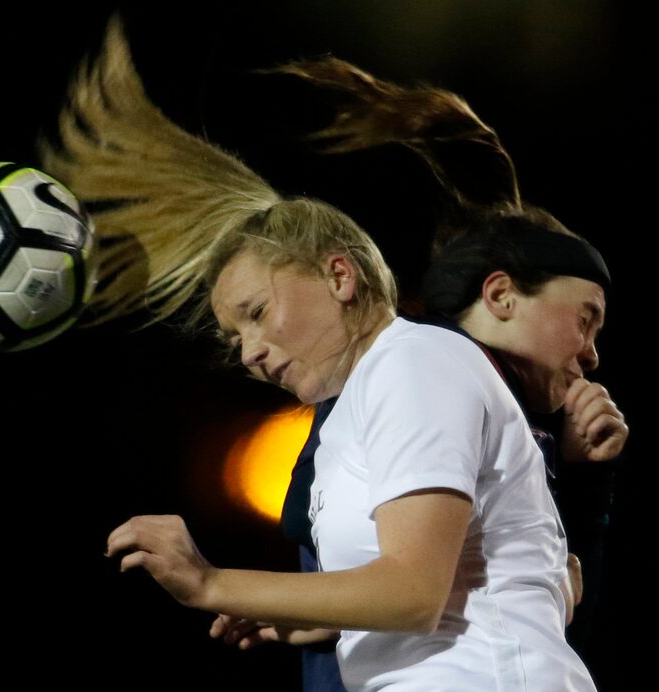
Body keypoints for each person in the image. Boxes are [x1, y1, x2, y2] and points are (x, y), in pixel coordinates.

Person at [43, 18, 610, 690]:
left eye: (256, 314)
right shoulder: (355, 411)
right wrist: (315, 619)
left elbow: (414, 591)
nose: (250, 353)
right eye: (234, 338)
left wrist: (212, 583)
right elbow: (455, 580)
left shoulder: (416, 363)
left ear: (340, 276)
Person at [243, 58, 626, 692]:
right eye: (587, 320)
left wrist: (586, 487)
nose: (591, 353)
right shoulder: (418, 368)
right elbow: (416, 595)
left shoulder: (474, 404)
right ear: (501, 296)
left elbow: (540, 636)